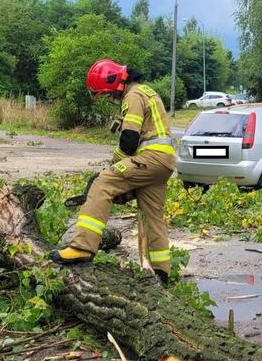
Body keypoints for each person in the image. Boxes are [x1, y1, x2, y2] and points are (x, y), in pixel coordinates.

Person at [50, 59, 176, 284]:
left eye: (108, 93)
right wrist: (127, 183)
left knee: (103, 183)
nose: (109, 98)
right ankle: (161, 272)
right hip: (163, 163)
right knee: (151, 215)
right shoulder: (146, 92)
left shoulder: (133, 96)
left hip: (150, 157)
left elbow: (129, 140)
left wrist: (111, 169)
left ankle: (82, 247)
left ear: (115, 82)